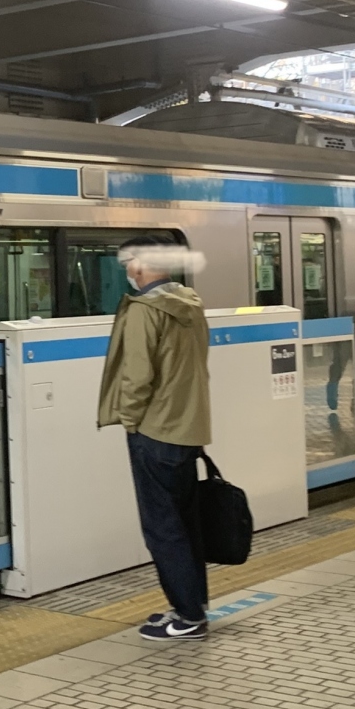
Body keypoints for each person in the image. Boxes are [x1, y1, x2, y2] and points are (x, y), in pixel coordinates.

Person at [97, 236, 212, 642]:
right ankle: (192, 604)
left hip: (155, 430)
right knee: (185, 523)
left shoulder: (144, 310)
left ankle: (189, 616)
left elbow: (137, 376)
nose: (127, 270)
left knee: (163, 527)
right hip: (187, 428)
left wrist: (130, 421)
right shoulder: (189, 304)